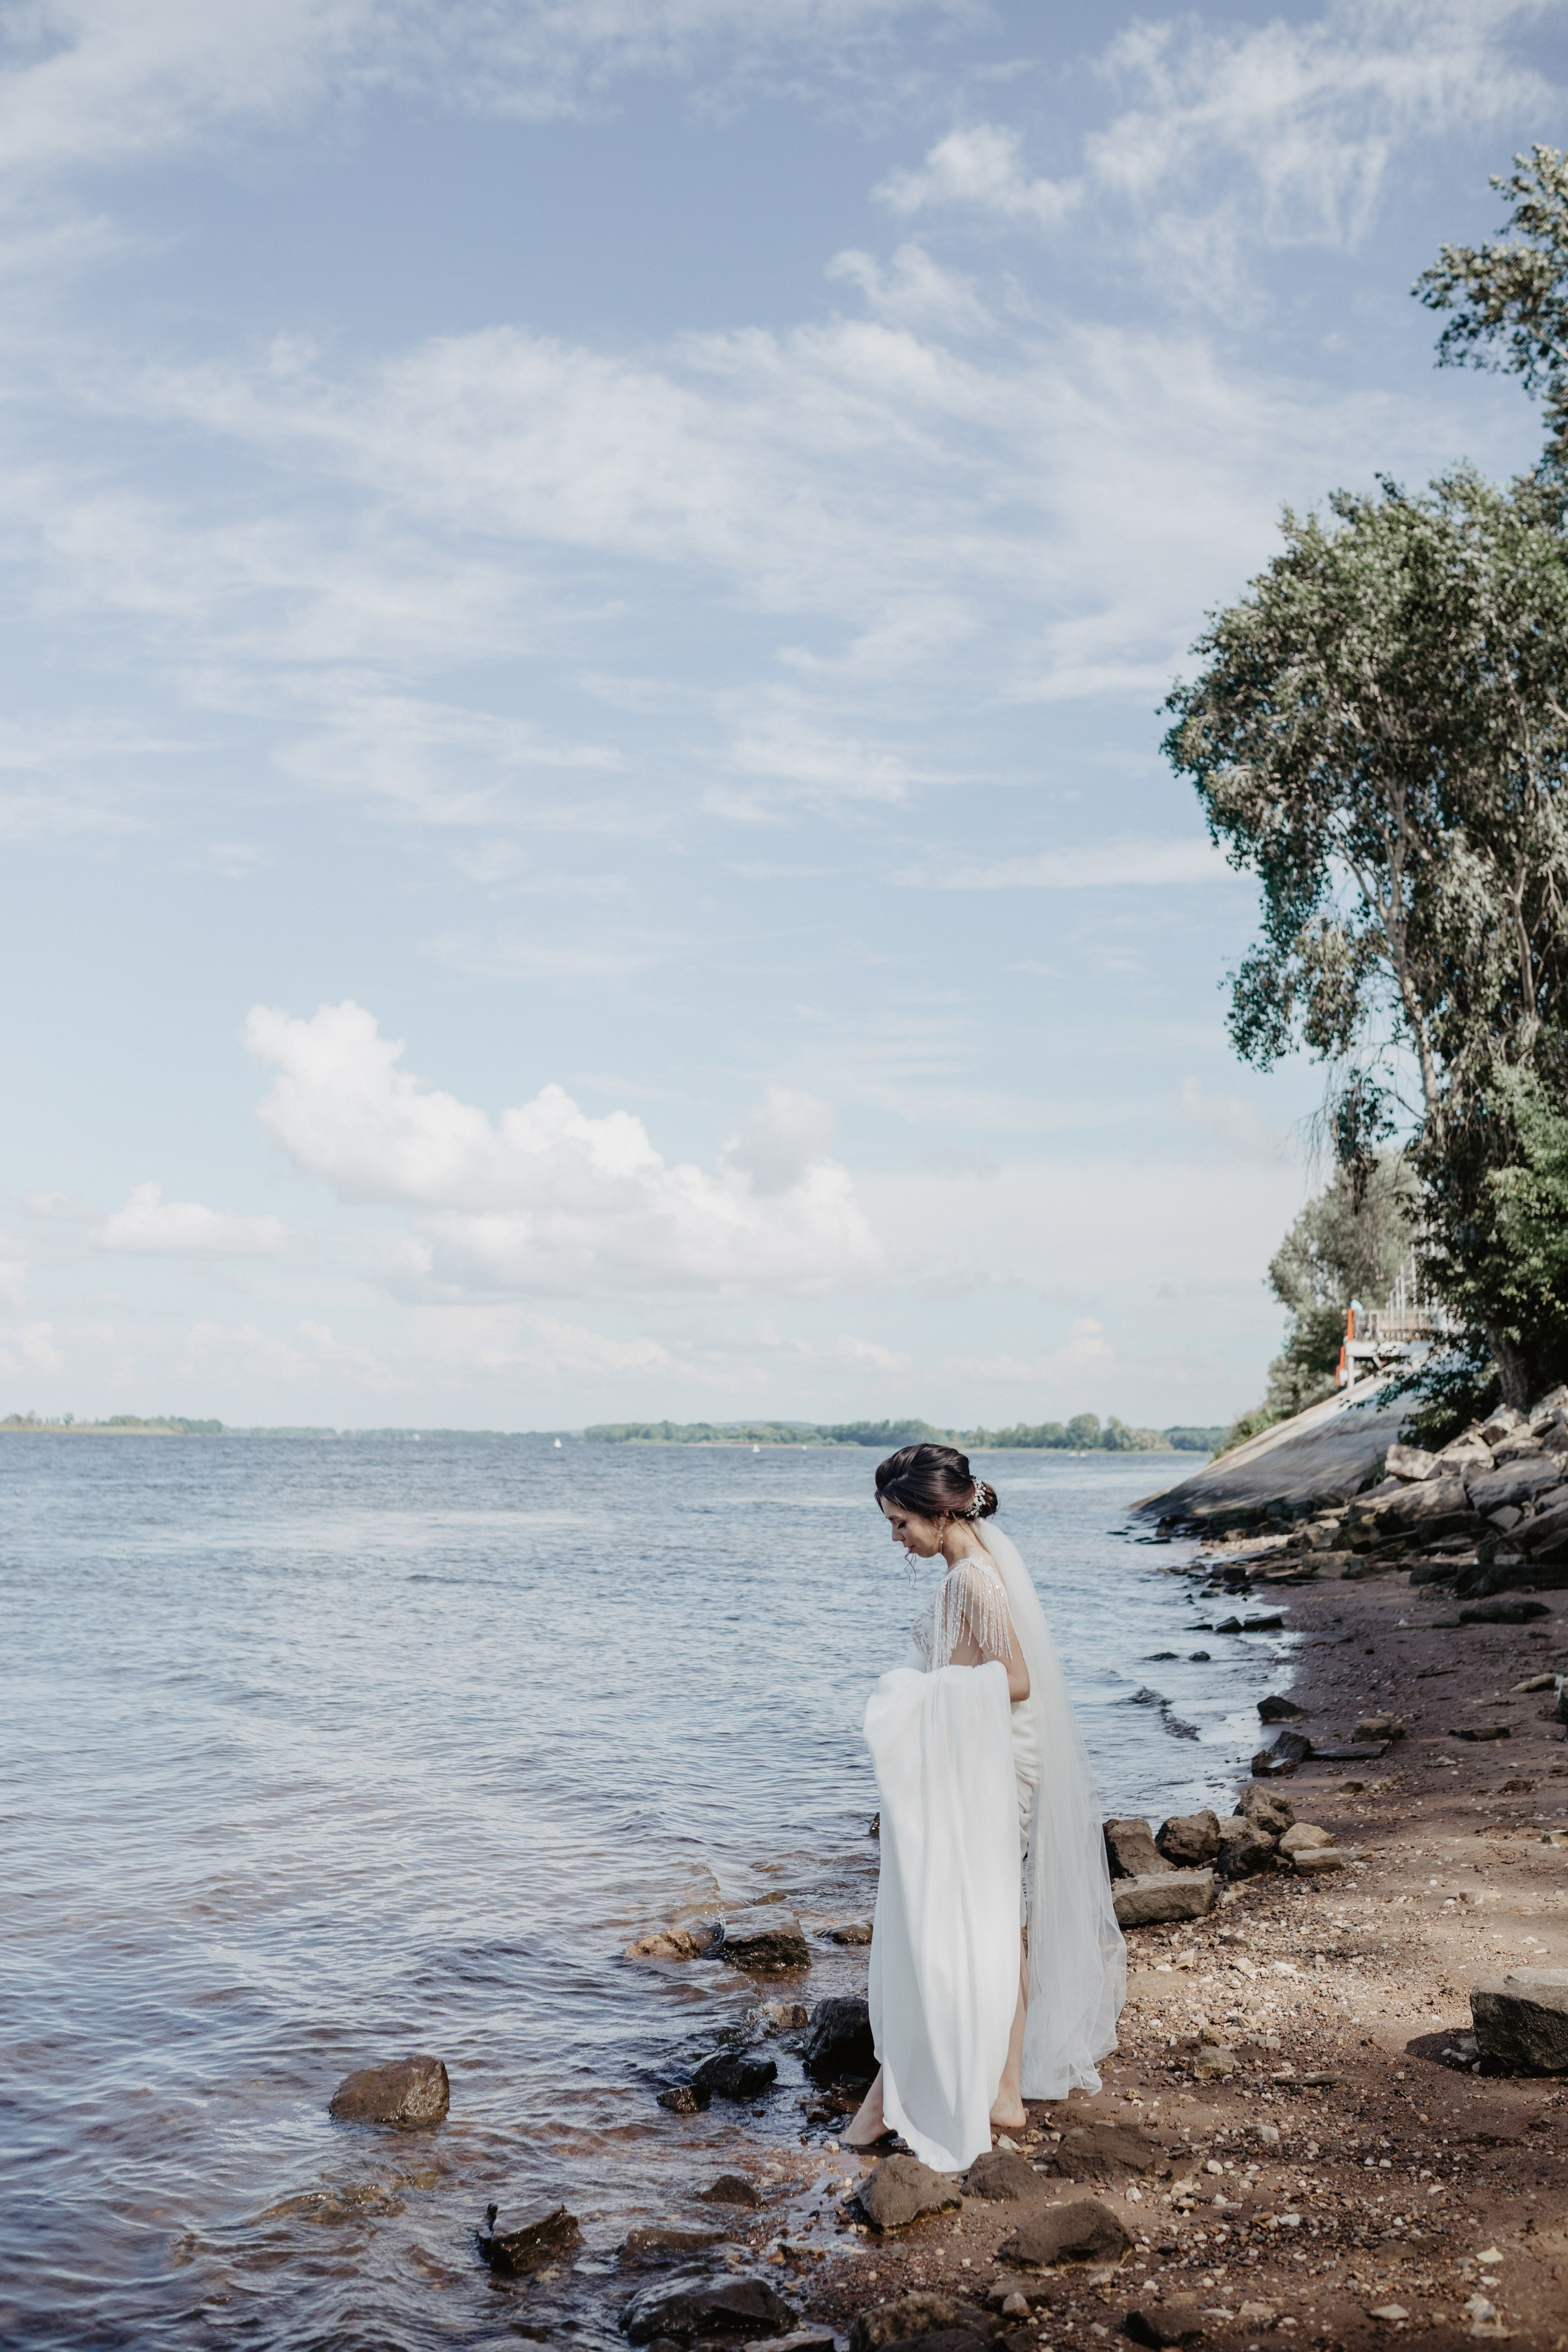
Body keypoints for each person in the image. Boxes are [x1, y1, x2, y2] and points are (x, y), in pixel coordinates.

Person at [845, 1443, 1125, 2171]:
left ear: (940, 1515)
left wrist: (915, 1697)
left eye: (901, 1523)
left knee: (954, 1919)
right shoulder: (965, 1572)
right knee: (1000, 1920)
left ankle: (894, 2095)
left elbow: (1019, 1680)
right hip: (983, 1757)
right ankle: (1001, 2091)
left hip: (998, 1766)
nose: (896, 1539)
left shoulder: (975, 1578)